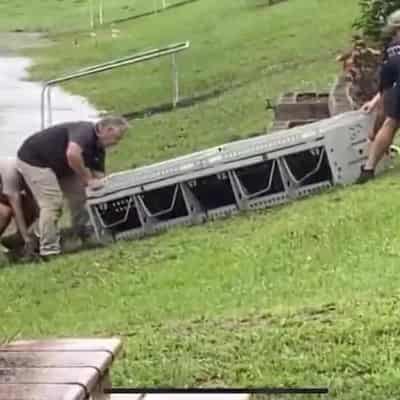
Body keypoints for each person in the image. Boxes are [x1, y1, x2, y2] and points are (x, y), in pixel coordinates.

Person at [16, 116, 129, 259]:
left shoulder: (99, 149)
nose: (117, 143)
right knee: (53, 203)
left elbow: (100, 179)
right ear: (108, 129)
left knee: (81, 195)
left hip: (60, 163)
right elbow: (72, 154)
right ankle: (48, 249)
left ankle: (83, 233)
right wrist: (87, 179)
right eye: (117, 138)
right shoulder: (85, 131)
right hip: (35, 160)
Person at [357, 9, 400, 184]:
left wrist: (374, 102)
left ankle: (368, 168)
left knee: (390, 124)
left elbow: (386, 87)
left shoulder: (391, 51)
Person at [0, 157, 38, 257]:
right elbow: (17, 209)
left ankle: (15, 241)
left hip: (5, 190)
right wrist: (27, 238)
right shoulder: (10, 174)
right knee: (4, 213)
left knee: (31, 206)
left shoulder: (31, 170)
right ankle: (23, 241)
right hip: (6, 189)